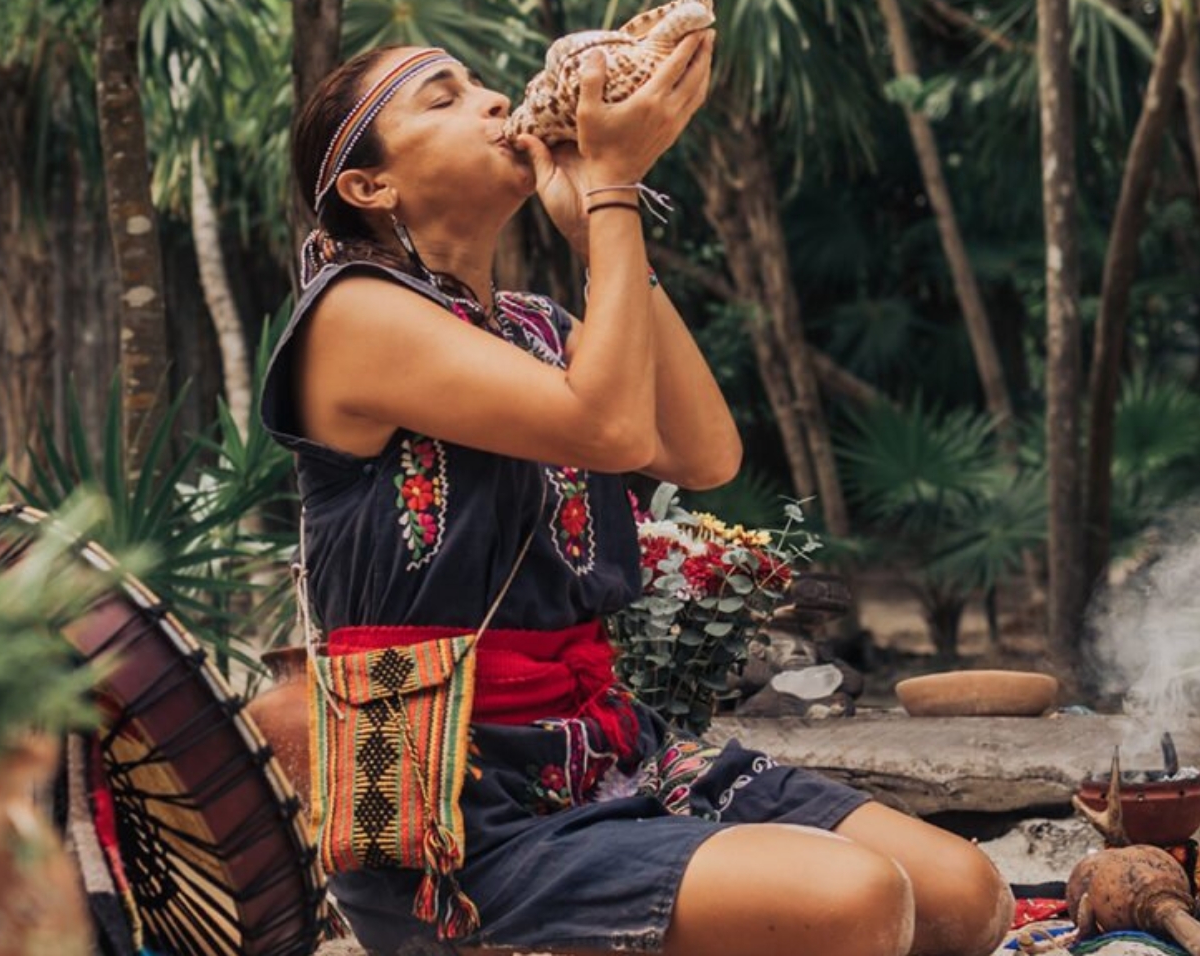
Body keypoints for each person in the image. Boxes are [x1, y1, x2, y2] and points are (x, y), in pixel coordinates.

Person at [261, 31, 1015, 956]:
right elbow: (612, 433)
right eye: (444, 98)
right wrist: (616, 186)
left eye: (482, 83)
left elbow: (704, 455)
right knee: (854, 902)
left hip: (609, 752)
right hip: (452, 806)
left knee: (963, 896)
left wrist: (593, 226)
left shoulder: (538, 324)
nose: (496, 101)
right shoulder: (351, 312)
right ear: (369, 187)